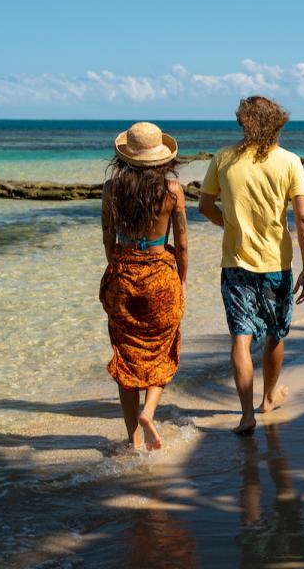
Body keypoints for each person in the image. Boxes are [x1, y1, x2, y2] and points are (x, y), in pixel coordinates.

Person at [198, 96, 304, 435]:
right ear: (276, 123)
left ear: (243, 124)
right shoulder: (290, 161)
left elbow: (204, 206)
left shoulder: (223, 158)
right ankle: (268, 399)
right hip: (277, 264)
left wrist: (231, 226)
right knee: (275, 333)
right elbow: (303, 218)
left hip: (235, 263)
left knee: (241, 338)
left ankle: (246, 415)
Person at [99, 122, 189, 450]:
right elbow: (181, 242)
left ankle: (132, 440)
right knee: (162, 349)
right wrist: (180, 280)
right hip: (161, 273)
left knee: (126, 357)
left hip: (123, 272)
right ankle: (149, 412)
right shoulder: (173, 191)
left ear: (125, 157)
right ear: (162, 158)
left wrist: (116, 268)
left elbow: (109, 236)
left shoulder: (111, 189)